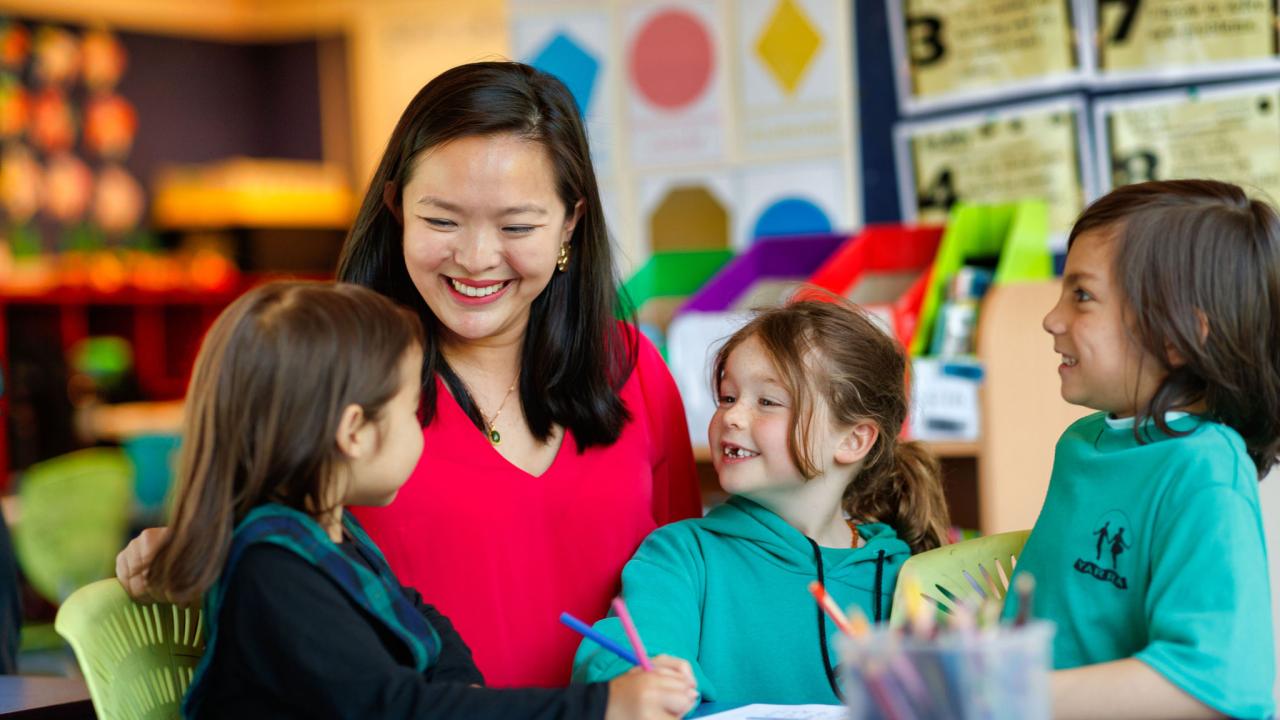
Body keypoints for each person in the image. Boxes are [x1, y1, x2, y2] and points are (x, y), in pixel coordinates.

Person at [117, 61, 702, 687]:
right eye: (442, 221)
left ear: (570, 222)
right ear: (397, 208)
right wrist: (195, 547)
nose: (476, 259)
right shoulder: (337, 380)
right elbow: (268, 551)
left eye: (517, 226)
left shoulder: (634, 367)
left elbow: (690, 582)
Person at [145, 281, 698, 719]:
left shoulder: (329, 538)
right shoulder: (273, 572)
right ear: (354, 432)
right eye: (411, 410)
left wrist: (465, 693)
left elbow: (427, 625)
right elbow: (399, 711)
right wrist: (604, 706)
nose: (422, 432)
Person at [572, 297, 951, 706]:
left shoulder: (906, 576)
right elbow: (614, 666)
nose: (732, 417)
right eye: (727, 397)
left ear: (852, 439)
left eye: (767, 402)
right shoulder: (682, 556)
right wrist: (639, 682)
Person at [1010, 179, 1279, 719]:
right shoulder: (1083, 443)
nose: (1052, 319)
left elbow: (1215, 680)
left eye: (1082, 295)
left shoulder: (1203, 468)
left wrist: (1003, 695)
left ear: (1177, 338)